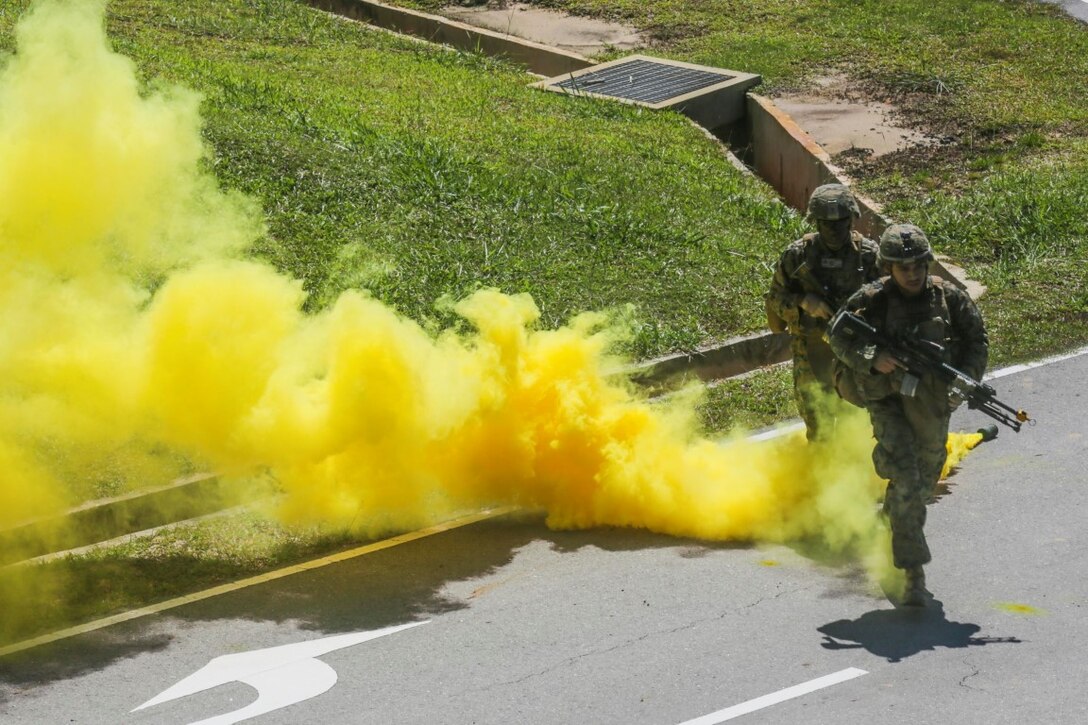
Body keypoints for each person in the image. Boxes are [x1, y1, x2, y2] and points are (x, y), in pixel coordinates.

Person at [829, 224, 988, 606]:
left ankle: (894, 519)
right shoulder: (871, 300)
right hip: (886, 399)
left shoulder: (949, 299)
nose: (912, 273)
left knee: (921, 483)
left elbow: (976, 342)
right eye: (903, 267)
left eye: (917, 265)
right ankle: (911, 575)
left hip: (930, 401)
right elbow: (838, 335)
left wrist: (965, 382)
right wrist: (872, 358)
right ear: (888, 268)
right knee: (905, 473)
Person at [765, 184, 881, 440]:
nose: (834, 230)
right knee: (819, 428)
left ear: (852, 219)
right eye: (826, 223)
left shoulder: (869, 256)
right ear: (815, 222)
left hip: (855, 353)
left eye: (841, 222)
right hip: (810, 351)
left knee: (858, 426)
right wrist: (803, 302)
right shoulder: (797, 256)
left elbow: (889, 302)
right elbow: (775, 298)